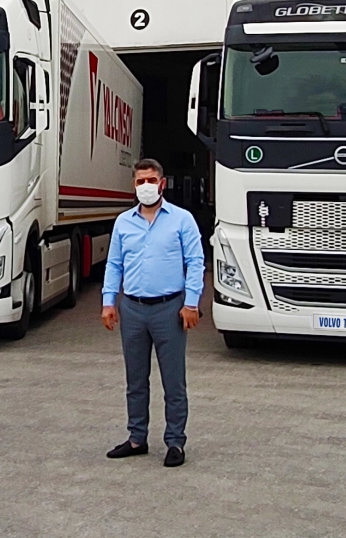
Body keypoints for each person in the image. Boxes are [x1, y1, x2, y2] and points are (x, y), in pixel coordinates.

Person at [101, 159, 205, 468]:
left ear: (162, 184)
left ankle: (175, 441)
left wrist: (191, 303)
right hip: (133, 309)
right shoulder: (123, 223)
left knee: (173, 381)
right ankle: (137, 438)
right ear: (133, 186)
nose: (145, 186)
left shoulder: (182, 220)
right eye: (140, 181)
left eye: (150, 180)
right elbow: (114, 264)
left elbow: (195, 262)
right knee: (135, 380)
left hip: (169, 309)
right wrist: (109, 301)